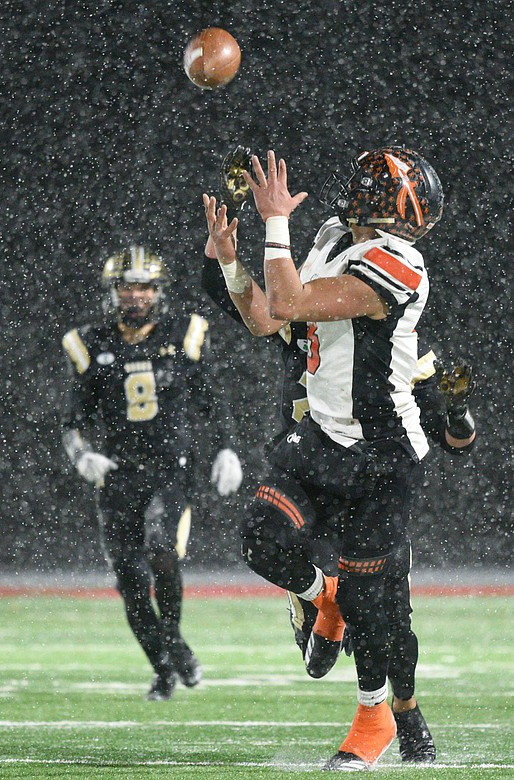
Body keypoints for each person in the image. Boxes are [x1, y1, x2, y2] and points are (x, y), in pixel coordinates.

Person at [202, 187, 476, 764]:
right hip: (322, 441)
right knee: (262, 537)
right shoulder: (329, 241)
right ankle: (323, 597)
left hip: (382, 454)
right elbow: (272, 312)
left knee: (382, 606)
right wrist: (228, 260)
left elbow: (291, 299)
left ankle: (396, 717)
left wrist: (275, 223)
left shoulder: (398, 263)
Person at [61, 245, 243, 701]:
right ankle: (164, 668)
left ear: (158, 292)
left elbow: (212, 399)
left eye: (143, 286)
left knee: (162, 548)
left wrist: (226, 448)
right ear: (113, 292)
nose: (135, 295)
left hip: (170, 470)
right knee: (131, 583)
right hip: (118, 475)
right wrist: (82, 455)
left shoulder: (183, 335)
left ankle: (176, 639)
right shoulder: (91, 344)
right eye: (126, 286)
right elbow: (73, 421)